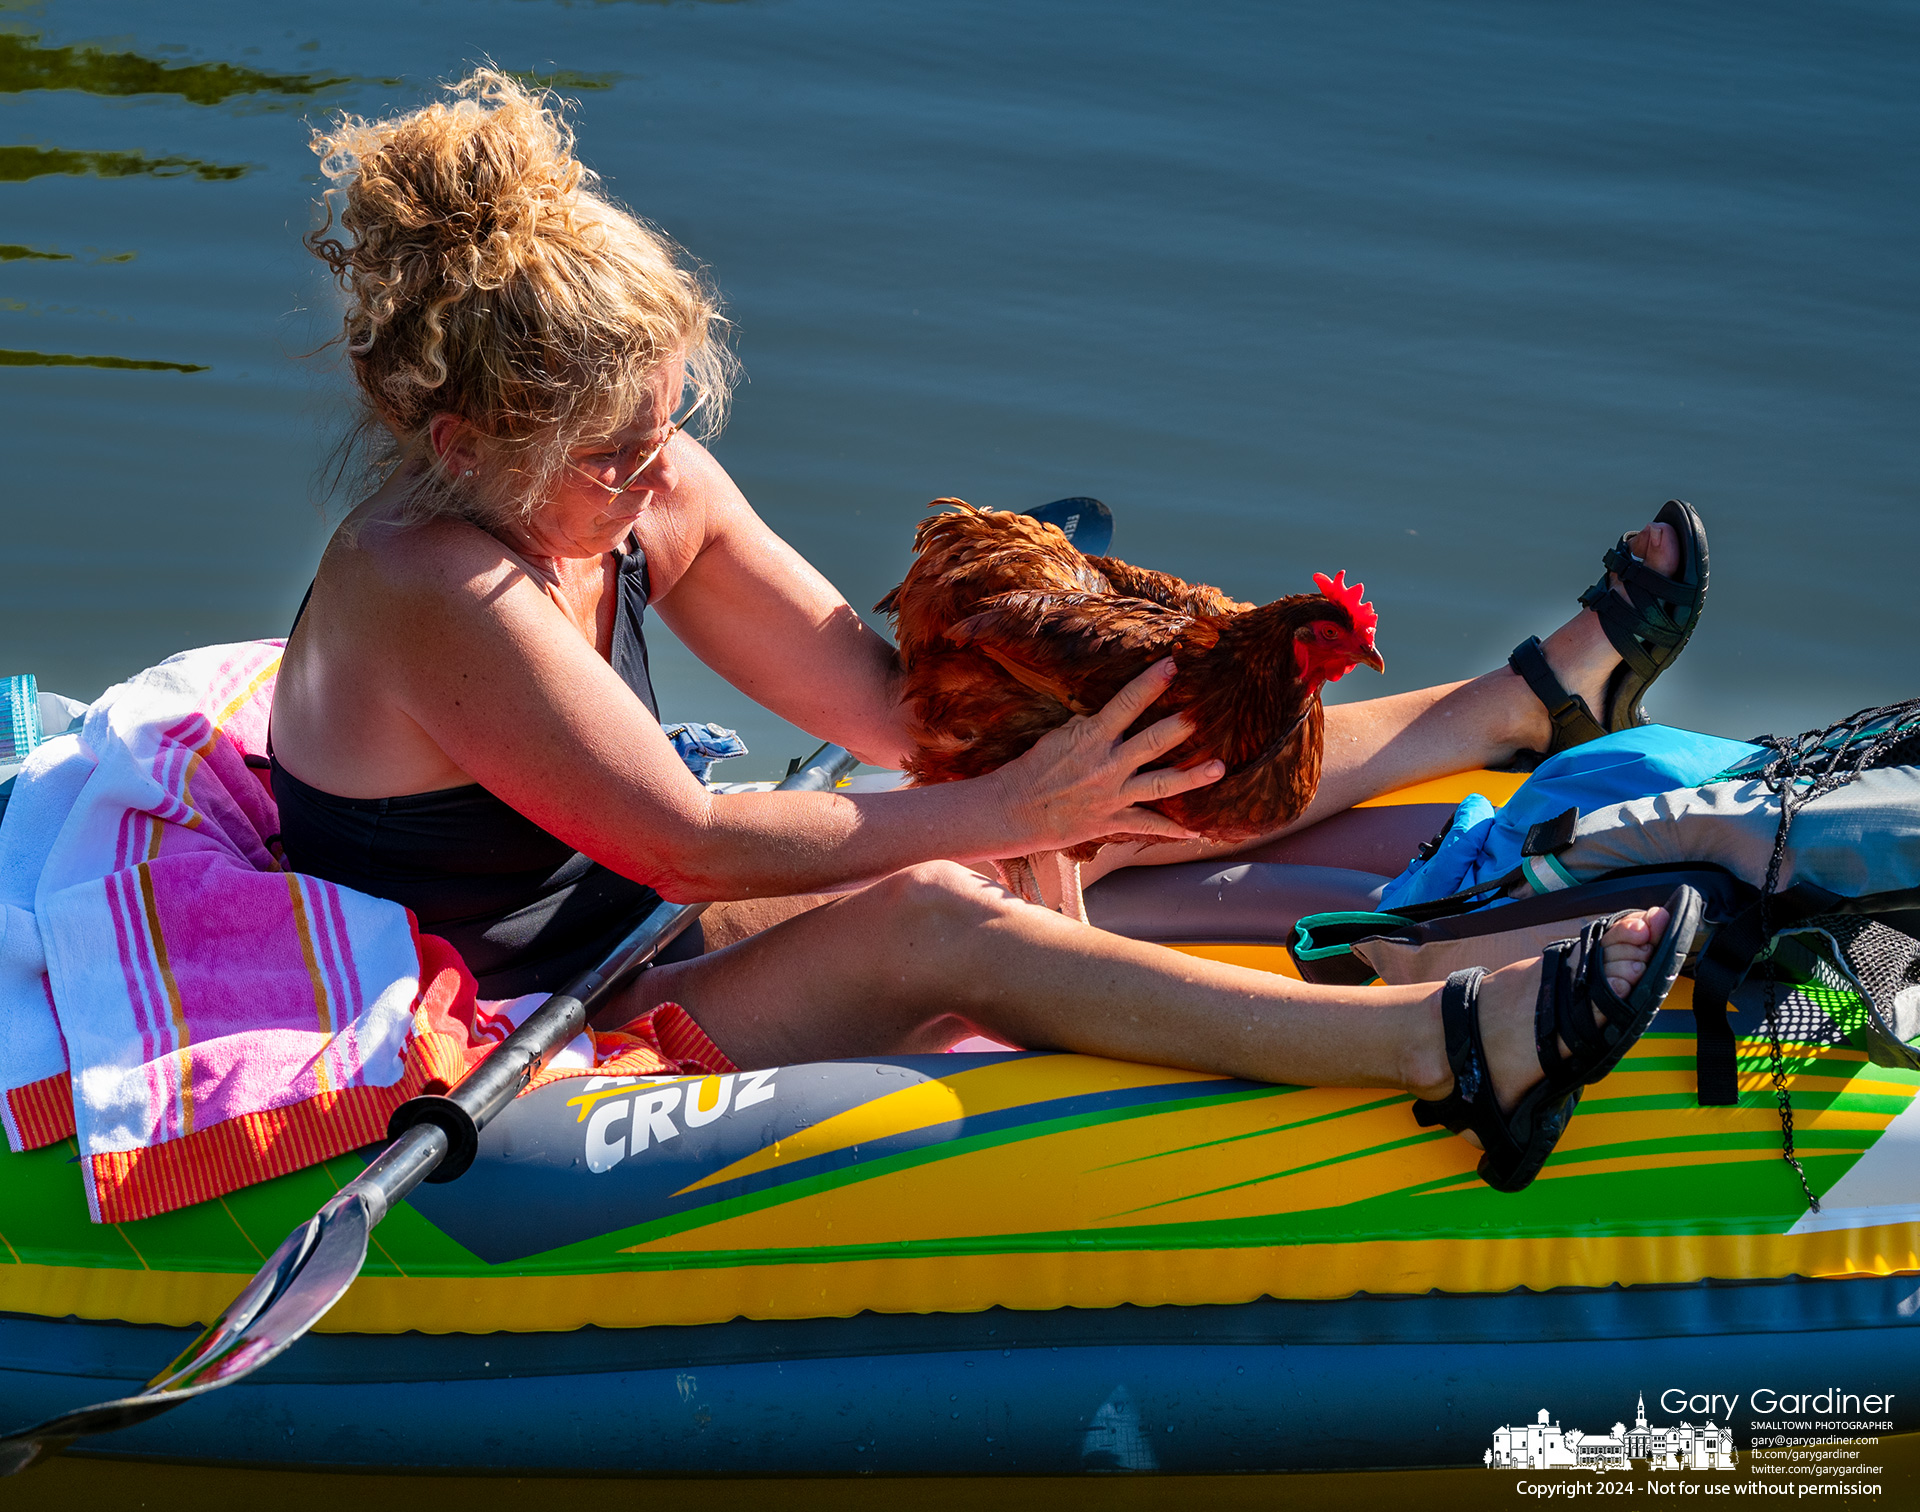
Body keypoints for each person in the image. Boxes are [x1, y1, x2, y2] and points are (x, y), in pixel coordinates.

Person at [271, 72, 1707, 1190]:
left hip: (652, 933)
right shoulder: (424, 586)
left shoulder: (657, 493)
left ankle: (1512, 707)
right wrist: (1005, 811)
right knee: (945, 908)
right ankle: (1445, 1045)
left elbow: (903, 724)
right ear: (464, 447)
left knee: (1083, 768)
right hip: (529, 1023)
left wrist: (1067, 746)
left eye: (669, 422)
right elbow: (684, 839)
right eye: (613, 458)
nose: (660, 476)